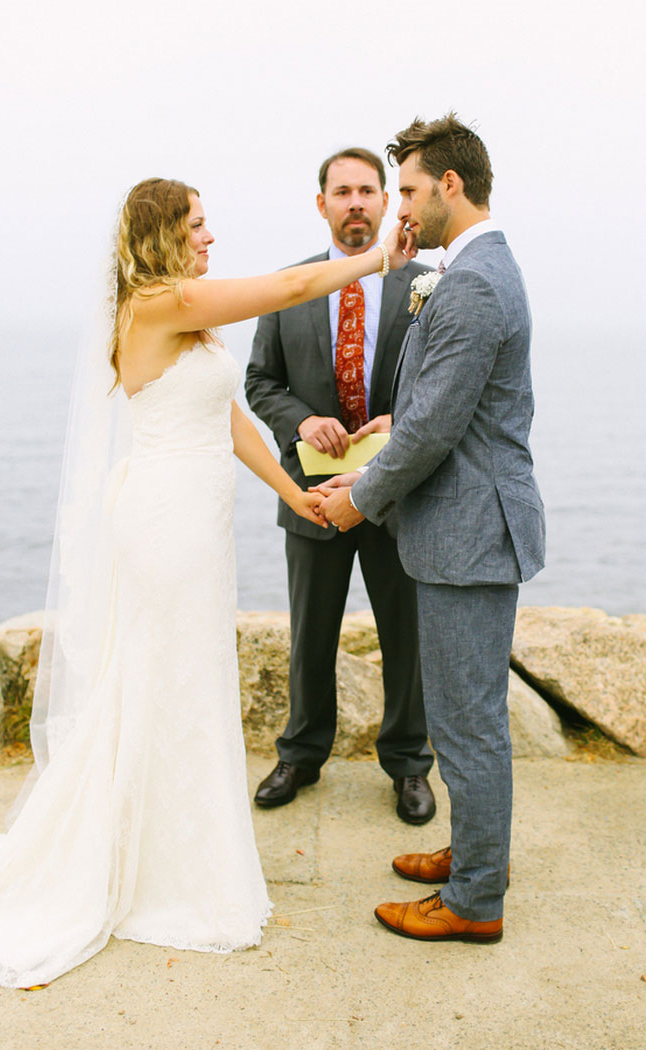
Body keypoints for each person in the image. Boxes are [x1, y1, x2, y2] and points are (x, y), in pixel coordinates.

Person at [0, 178, 410, 987]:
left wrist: (293, 488)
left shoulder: (187, 321)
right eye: (198, 225)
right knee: (166, 682)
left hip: (196, 525)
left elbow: (225, 415)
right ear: (163, 233)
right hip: (163, 525)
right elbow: (296, 284)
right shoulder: (156, 305)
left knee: (187, 683)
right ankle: (156, 873)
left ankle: (175, 852)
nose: (210, 237)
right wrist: (377, 258)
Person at [316, 115, 545, 943]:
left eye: (408, 189)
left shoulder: (477, 282)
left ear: (450, 184)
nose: (399, 207)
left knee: (466, 723)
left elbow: (434, 430)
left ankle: (477, 900)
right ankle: (479, 853)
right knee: (466, 715)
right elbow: (425, 413)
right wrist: (367, 462)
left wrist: (357, 500)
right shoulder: (466, 269)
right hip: (467, 527)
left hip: (469, 534)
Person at [245, 149, 435, 824]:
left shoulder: (427, 283)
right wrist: (303, 421)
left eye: (366, 190)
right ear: (321, 204)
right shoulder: (287, 286)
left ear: (385, 202)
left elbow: (440, 390)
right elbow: (259, 384)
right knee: (311, 634)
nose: (355, 202)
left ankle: (410, 766)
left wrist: (399, 422)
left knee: (404, 638)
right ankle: (300, 755)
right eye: (341, 191)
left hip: (395, 494)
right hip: (314, 498)